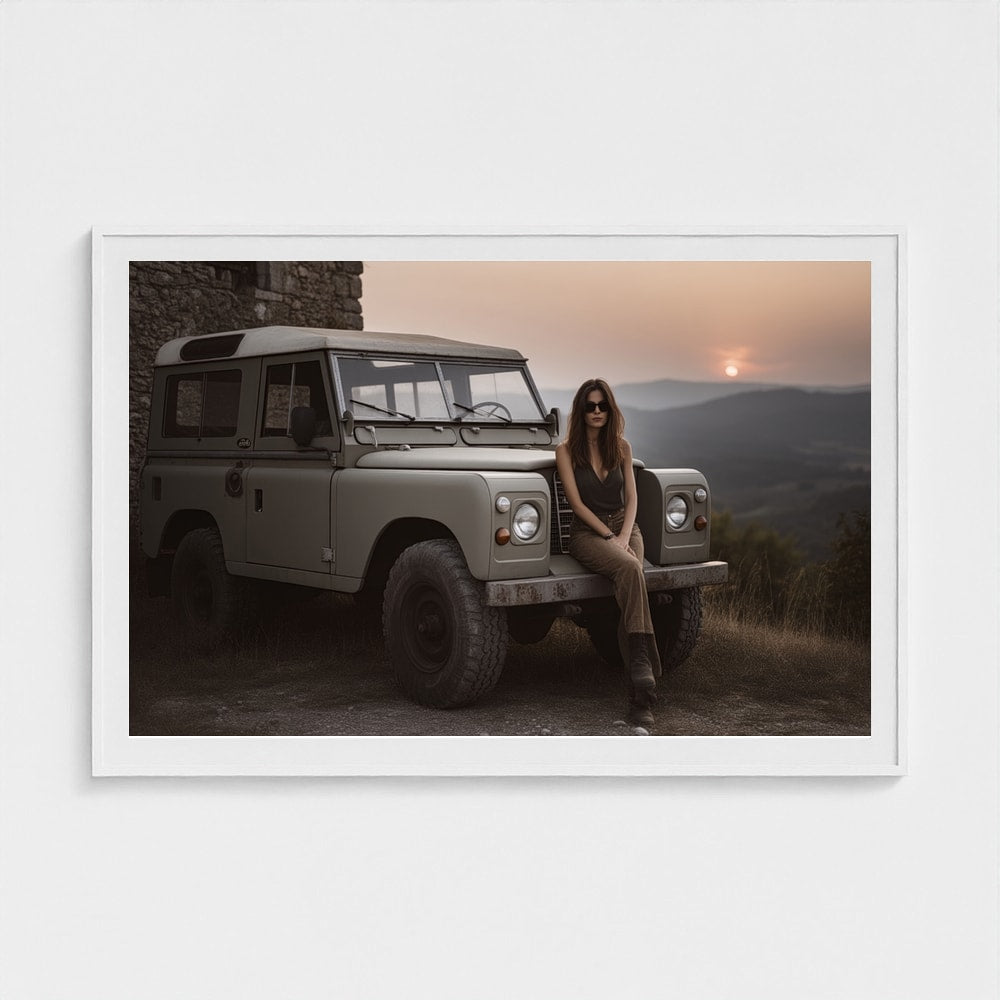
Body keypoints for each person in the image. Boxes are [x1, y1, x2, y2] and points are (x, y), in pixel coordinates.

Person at [555, 378, 661, 729]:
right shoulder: (567, 450)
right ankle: (644, 671)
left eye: (603, 406)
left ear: (611, 409)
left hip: (626, 527)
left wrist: (625, 534)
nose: (597, 412)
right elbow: (575, 504)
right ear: (581, 411)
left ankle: (641, 690)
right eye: (590, 406)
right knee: (632, 570)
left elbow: (631, 498)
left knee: (632, 579)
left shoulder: (622, 447)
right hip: (588, 533)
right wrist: (610, 537)